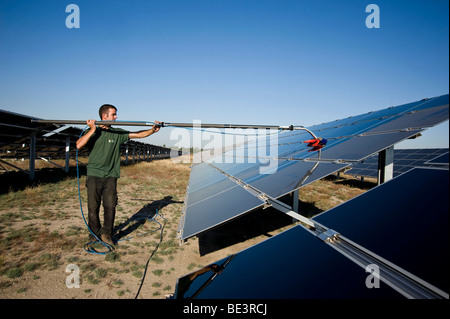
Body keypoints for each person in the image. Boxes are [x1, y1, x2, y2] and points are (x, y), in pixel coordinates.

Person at [76, 104, 161, 246]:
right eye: (113, 114)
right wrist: (92, 129)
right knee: (93, 207)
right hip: (94, 175)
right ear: (104, 116)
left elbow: (138, 134)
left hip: (110, 176)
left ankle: (107, 234)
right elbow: (78, 145)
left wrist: (153, 130)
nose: (116, 117)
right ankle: (94, 234)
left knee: (110, 206)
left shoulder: (117, 133)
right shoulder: (94, 133)